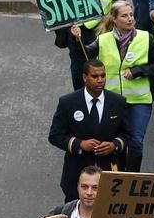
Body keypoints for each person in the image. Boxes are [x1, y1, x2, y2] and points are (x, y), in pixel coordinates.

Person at [77, 0, 154, 172]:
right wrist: (77, 38)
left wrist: (138, 70)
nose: (130, 19)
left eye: (131, 15)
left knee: (136, 142)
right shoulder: (103, 40)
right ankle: (120, 175)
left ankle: (132, 179)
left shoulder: (146, 38)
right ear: (114, 19)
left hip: (139, 100)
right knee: (117, 142)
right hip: (113, 101)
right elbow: (85, 56)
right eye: (124, 15)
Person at [48, 60, 127, 201]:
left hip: (108, 171)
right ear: (85, 77)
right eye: (95, 76)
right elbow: (55, 135)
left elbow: (127, 134)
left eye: (103, 76)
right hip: (76, 171)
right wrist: (80, 144)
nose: (100, 80)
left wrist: (114, 145)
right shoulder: (68, 103)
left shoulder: (118, 102)